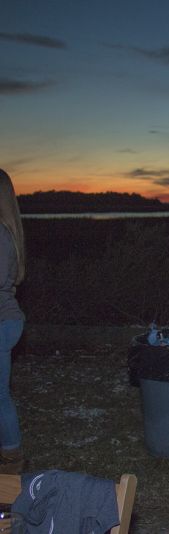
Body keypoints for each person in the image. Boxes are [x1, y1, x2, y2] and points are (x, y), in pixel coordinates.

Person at [0, 169, 26, 474]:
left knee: (1, 396)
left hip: (3, 323)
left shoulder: (1, 234)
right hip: (7, 321)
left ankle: (11, 460)